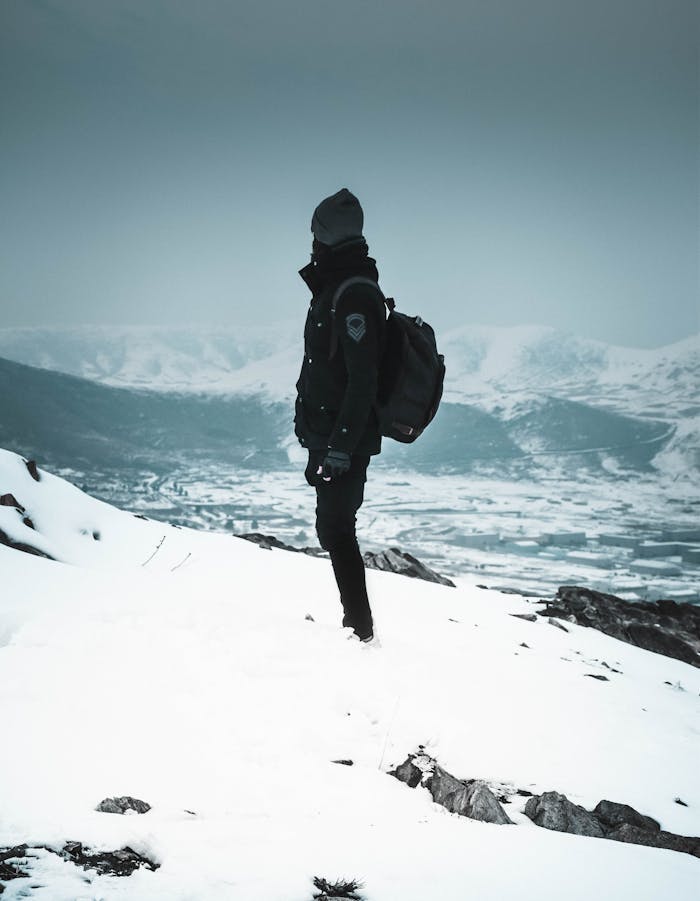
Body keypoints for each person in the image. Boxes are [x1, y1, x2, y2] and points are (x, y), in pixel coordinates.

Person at [294, 188, 386, 643]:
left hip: (340, 441)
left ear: (325, 235)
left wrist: (340, 448)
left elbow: (362, 379)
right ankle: (357, 624)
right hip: (326, 436)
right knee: (331, 527)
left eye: (314, 231)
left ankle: (360, 628)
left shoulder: (354, 295)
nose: (310, 240)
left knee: (336, 527)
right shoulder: (336, 286)